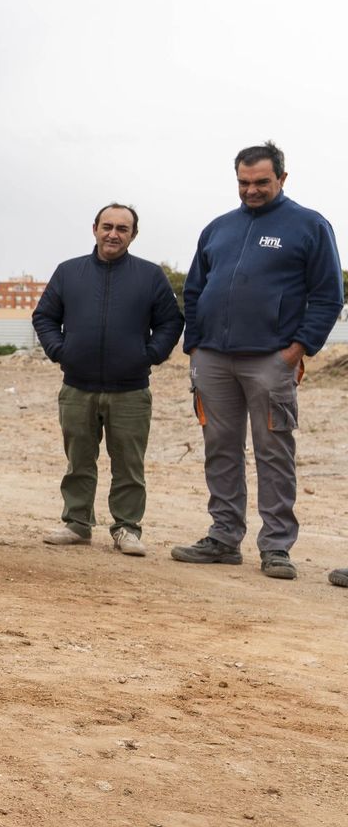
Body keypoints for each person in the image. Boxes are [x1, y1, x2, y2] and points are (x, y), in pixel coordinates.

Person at [172, 142, 342, 580]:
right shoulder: (217, 228)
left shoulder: (309, 226)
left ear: (282, 179)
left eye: (261, 182)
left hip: (271, 360)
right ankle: (224, 538)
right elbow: (194, 289)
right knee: (220, 450)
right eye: (244, 183)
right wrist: (195, 343)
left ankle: (276, 546)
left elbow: (328, 295)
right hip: (212, 360)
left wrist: (297, 350)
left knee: (274, 453)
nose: (252, 190)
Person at [31, 204, 183, 556]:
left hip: (130, 390)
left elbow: (171, 323)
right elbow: (44, 316)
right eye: (107, 226)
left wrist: (149, 355)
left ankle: (127, 528)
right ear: (95, 228)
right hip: (77, 387)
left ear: (133, 235)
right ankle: (77, 523)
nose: (113, 234)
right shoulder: (69, 272)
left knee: (129, 465)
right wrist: (60, 351)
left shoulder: (150, 276)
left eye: (122, 229)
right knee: (78, 460)